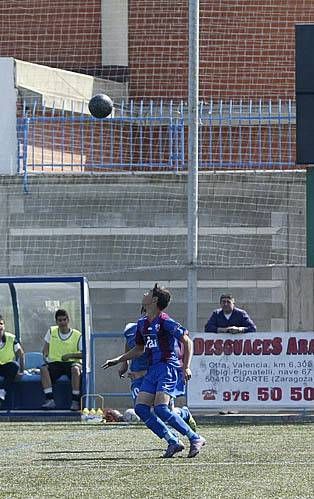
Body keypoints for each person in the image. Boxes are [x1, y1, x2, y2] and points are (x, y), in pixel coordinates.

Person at [102, 283, 205, 458]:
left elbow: (187, 341)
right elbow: (139, 349)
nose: (145, 293)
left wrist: (186, 366)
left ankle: (195, 438)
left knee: (161, 409)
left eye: (148, 292)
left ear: (154, 300)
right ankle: (172, 441)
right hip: (153, 369)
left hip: (168, 368)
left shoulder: (165, 321)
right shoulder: (142, 323)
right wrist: (119, 360)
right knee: (141, 409)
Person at [120, 321, 196, 431]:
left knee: (163, 411)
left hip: (157, 374)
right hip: (138, 376)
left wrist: (185, 367)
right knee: (143, 409)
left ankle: (184, 414)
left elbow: (165, 358)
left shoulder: (162, 330)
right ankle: (174, 440)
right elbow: (129, 343)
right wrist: (124, 363)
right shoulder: (132, 329)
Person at [40, 309, 82, 411]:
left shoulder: (77, 335)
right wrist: (46, 358)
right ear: (56, 322)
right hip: (55, 364)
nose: (62, 323)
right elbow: (45, 350)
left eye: (64, 320)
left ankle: (75, 401)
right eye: (60, 320)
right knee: (43, 369)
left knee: (75, 370)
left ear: (68, 320)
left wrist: (70, 355)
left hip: (72, 363)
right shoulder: (51, 331)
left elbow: (84, 354)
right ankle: (50, 400)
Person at [0, 314, 25, 407]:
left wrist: (22, 371)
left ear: (4, 326)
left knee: (14, 366)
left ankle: (2, 393)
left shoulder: (11, 338)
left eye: (1, 324)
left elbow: (21, 354)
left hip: (6, 367)